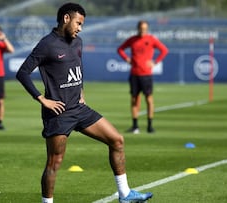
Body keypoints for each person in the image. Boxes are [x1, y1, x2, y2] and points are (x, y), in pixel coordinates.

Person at [16, 3, 153, 203]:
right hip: (59, 113)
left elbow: (78, 67)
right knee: (54, 163)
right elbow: (23, 72)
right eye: (78, 23)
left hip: (79, 109)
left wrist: (81, 91)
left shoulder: (78, 42)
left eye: (82, 24)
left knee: (117, 140)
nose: (80, 28)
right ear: (66, 19)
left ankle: (125, 194)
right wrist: (42, 99)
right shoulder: (47, 44)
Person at [117, 20, 168, 134]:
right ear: (138, 28)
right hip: (134, 74)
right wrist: (127, 59)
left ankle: (150, 126)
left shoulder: (151, 39)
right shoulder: (132, 39)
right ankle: (135, 126)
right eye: (141, 28)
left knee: (149, 99)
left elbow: (164, 50)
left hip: (146, 75)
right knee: (134, 100)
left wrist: (155, 62)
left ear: (147, 29)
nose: (143, 30)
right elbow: (120, 49)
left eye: (145, 29)